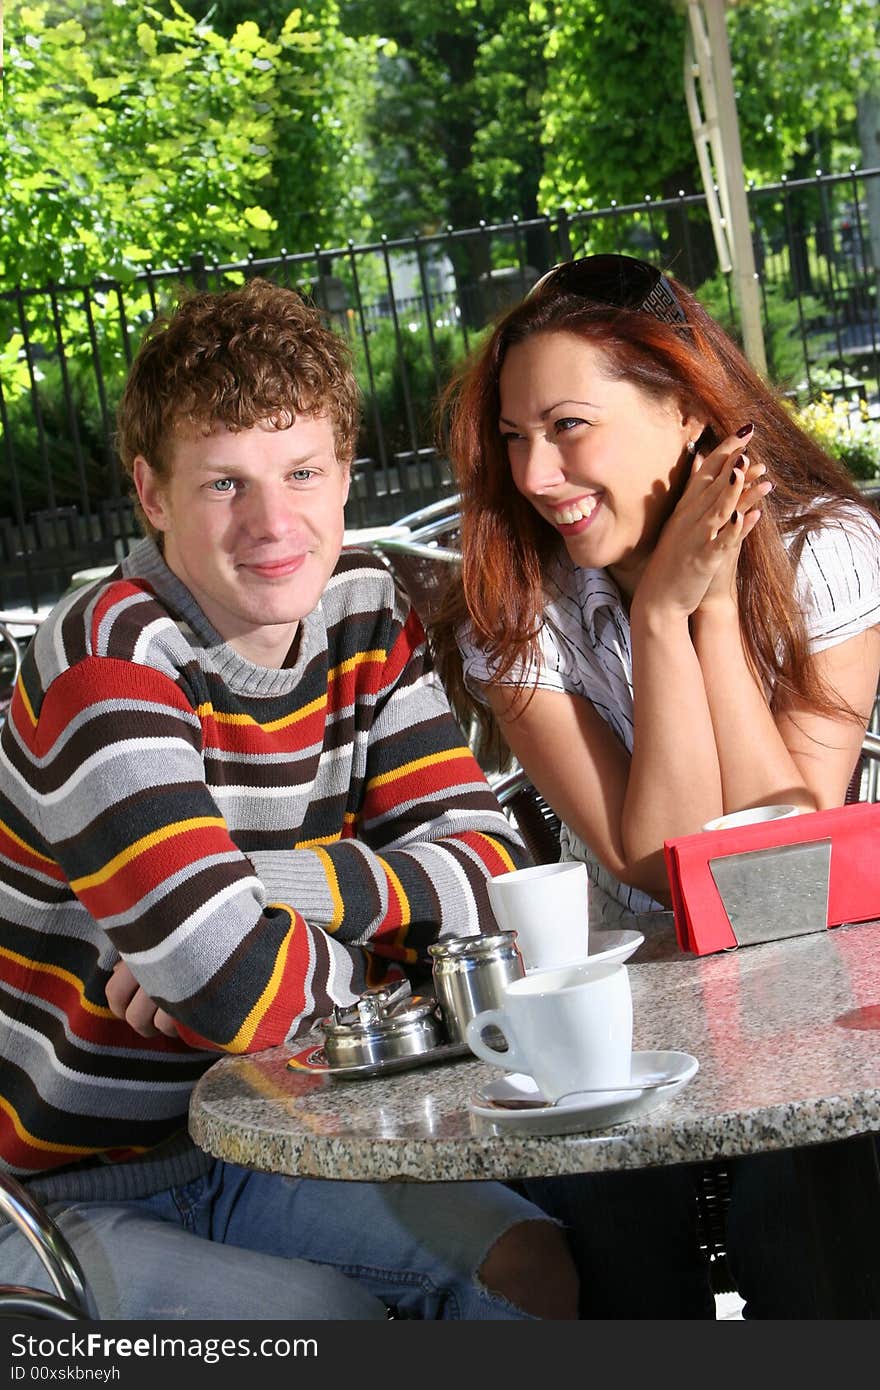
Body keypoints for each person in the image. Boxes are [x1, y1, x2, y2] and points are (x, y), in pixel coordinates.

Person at [0, 277, 579, 1322]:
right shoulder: (107, 657)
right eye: (224, 483)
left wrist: (277, 887)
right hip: (56, 1192)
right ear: (150, 493)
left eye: (302, 471)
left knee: (530, 1260)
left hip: (275, 1135)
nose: (273, 523)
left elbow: (494, 879)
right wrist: (394, 960)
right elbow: (229, 984)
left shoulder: (360, 609)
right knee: (329, 1324)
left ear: (346, 474)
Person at [431, 252, 880, 1318]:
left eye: (567, 426)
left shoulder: (828, 552)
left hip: (817, 994)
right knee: (611, 1207)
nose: (535, 475)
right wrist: (652, 622)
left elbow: (786, 870)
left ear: (684, 411)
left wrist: (706, 613)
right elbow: (652, 867)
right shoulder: (520, 605)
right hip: (634, 1007)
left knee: (803, 1193)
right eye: (513, 437)